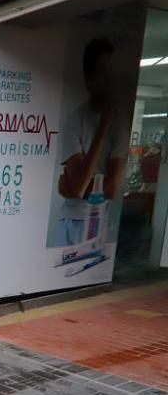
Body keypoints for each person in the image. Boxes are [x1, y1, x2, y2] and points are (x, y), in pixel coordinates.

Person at [56, 37, 127, 247]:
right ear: (89, 79)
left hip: (101, 221)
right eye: (102, 74)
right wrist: (103, 127)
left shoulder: (120, 124)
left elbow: (111, 189)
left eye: (111, 75)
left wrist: (72, 187)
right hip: (72, 221)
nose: (108, 82)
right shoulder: (75, 120)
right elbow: (79, 187)